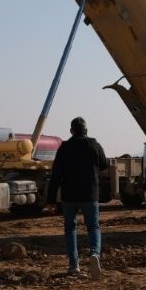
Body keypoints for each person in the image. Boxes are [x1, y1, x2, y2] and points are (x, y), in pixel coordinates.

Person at [46, 117, 109, 279]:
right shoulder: (94, 144)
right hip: (90, 194)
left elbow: (56, 175)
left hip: (69, 195)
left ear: (71, 131)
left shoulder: (64, 147)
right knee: (93, 227)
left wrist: (51, 199)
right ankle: (94, 254)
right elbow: (104, 165)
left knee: (70, 228)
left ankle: (74, 266)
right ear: (86, 130)